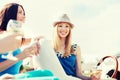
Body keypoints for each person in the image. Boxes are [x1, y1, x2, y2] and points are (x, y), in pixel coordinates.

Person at [51, 14, 101, 80]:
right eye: (60, 26)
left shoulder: (75, 48)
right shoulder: (51, 47)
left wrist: (90, 79)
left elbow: (79, 74)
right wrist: (35, 41)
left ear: (69, 29)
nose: (64, 29)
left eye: (67, 26)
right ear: (55, 28)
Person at [0, 2, 40, 76]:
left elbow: (34, 39)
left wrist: (38, 39)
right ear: (10, 14)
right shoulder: (2, 37)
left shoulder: (18, 39)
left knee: (46, 73)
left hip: (14, 78)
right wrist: (20, 56)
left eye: (24, 14)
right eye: (20, 12)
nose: (24, 16)